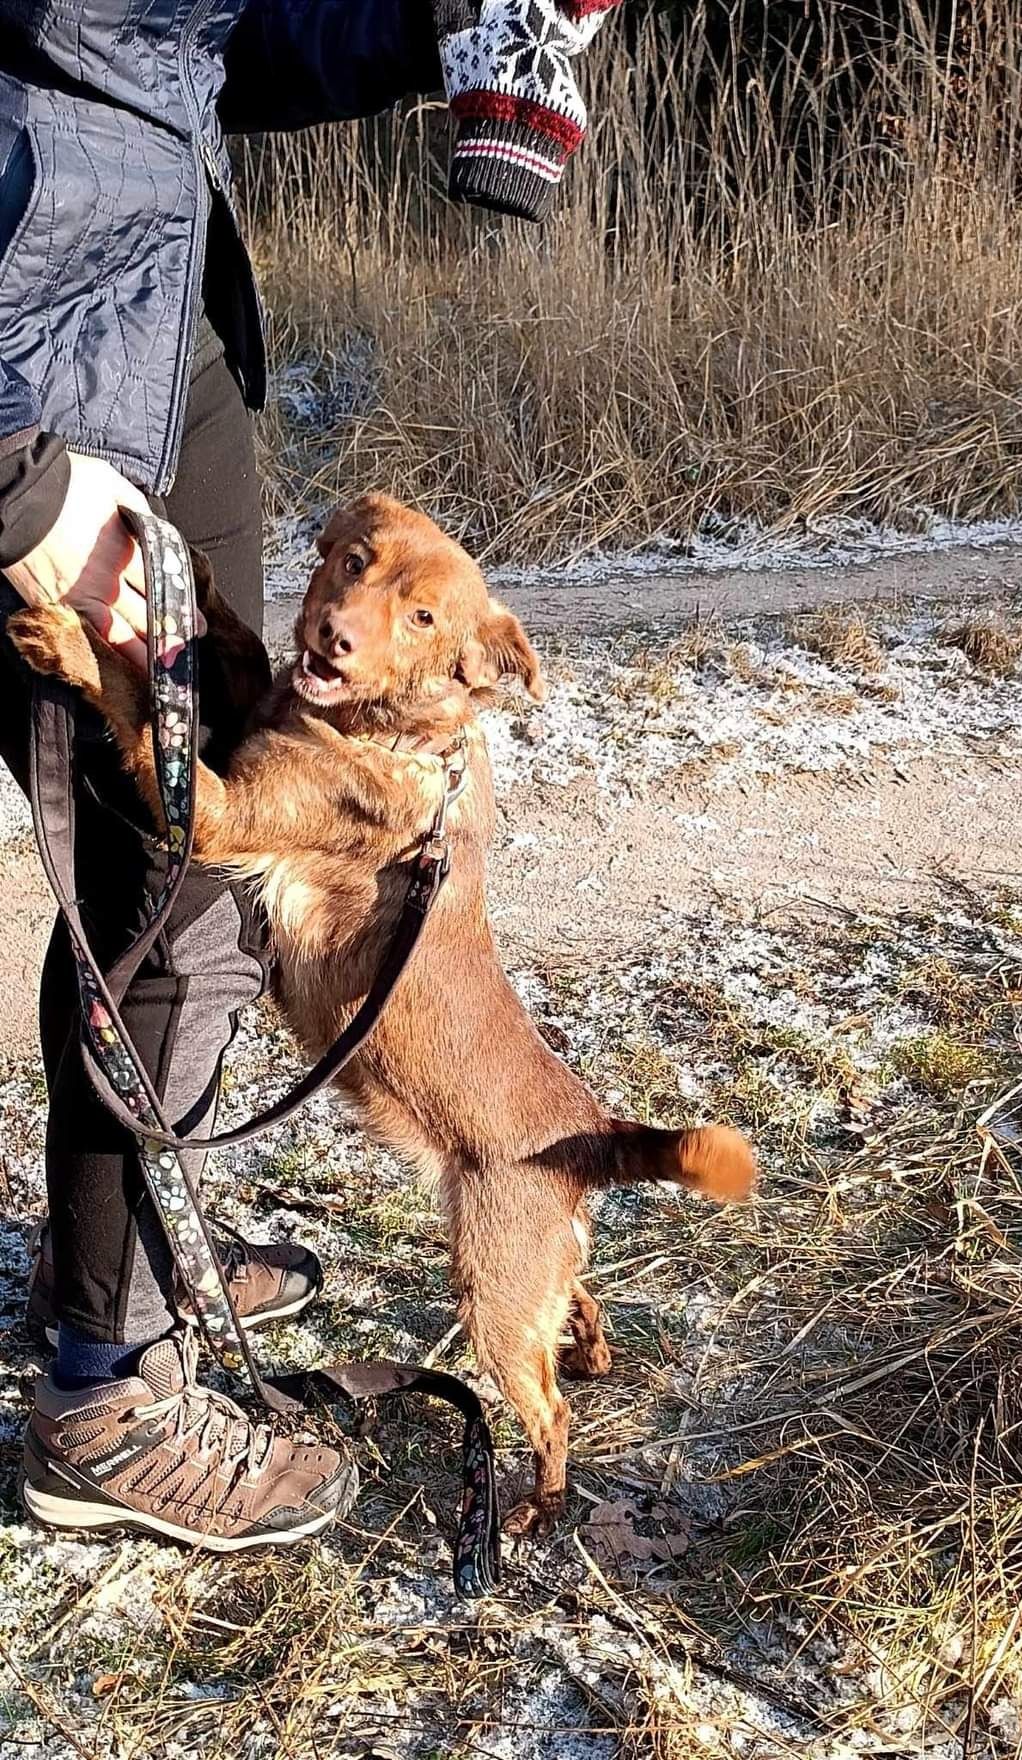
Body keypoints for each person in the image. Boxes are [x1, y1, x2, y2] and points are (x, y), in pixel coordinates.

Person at [0, 0, 620, 1551]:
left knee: (172, 890)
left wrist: (436, 23)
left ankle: (110, 1272)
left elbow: (192, 37)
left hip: (144, 322)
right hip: (40, 387)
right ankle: (108, 1391)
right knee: (165, 890)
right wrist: (11, 470)